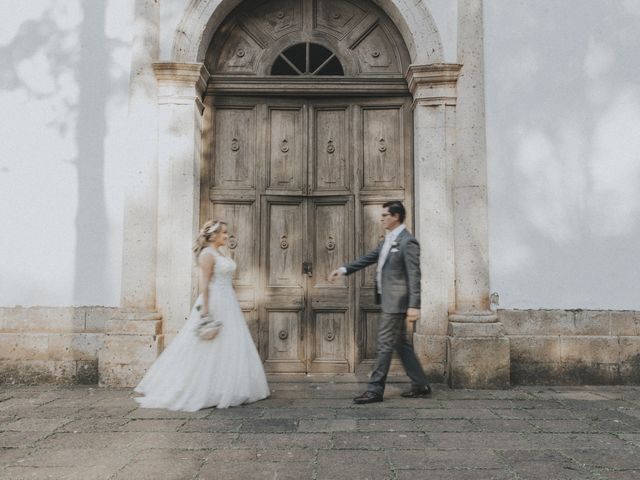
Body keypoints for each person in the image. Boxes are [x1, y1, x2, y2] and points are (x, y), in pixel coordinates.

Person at [134, 220, 270, 411]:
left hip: (227, 301)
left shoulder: (219, 253)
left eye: (226, 232)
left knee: (228, 344)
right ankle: (197, 388)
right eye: (223, 233)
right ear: (213, 235)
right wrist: (205, 310)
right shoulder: (207, 254)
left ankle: (221, 387)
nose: (226, 236)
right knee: (206, 344)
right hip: (214, 301)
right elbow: (205, 284)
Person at [329, 201, 431, 404]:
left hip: (397, 303)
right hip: (389, 301)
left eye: (385, 215)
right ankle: (420, 384)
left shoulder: (407, 242)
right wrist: (343, 269)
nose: (382, 218)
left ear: (396, 217)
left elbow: (414, 276)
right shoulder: (389, 240)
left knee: (384, 344)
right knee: (401, 344)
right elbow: (369, 258)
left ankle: (375, 390)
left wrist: (414, 305)